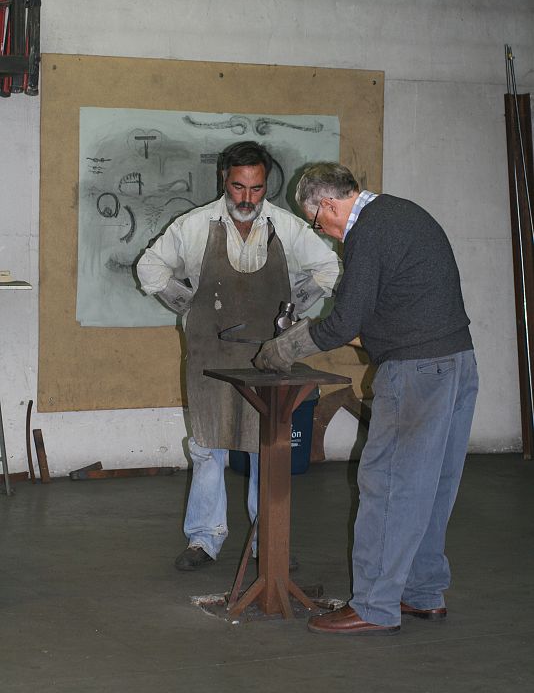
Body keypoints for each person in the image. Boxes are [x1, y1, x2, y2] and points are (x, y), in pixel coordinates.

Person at [254, 162, 478, 635]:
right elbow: (394, 306)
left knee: (389, 485)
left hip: (417, 372)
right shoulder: (404, 213)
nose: (327, 234)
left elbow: (343, 322)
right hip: (457, 363)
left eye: (319, 223)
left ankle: (375, 606)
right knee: (432, 486)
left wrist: (285, 347)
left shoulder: (367, 233)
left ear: (331, 204)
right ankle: (422, 592)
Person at [136, 142, 340, 570]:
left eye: (257, 188)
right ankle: (203, 540)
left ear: (267, 185)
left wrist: (295, 309)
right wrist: (186, 304)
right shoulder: (193, 226)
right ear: (223, 181)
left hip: (267, 356)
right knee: (208, 446)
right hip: (210, 354)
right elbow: (149, 269)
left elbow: (329, 270)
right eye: (238, 187)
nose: (247, 198)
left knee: (264, 447)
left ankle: (267, 542)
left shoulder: (287, 227)